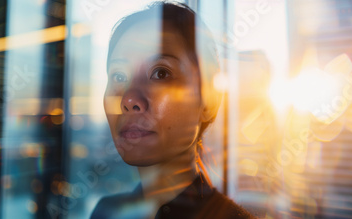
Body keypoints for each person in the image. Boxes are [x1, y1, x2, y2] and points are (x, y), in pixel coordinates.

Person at [91, 2, 255, 219]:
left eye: (160, 73)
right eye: (119, 76)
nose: (129, 98)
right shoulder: (106, 212)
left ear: (208, 100)